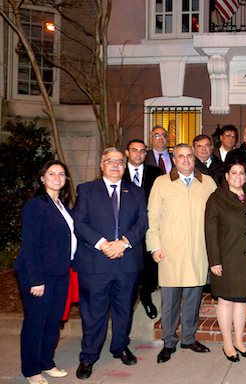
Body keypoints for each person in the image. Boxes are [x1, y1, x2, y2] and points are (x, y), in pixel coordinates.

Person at [73, 148, 148, 379]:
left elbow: (142, 222)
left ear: (125, 167)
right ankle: (88, 356)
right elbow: (79, 221)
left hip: (126, 262)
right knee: (93, 312)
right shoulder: (87, 190)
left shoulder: (136, 192)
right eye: (110, 161)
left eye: (119, 162)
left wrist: (123, 244)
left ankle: (120, 347)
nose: (115, 165)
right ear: (101, 165)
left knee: (124, 309)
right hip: (96, 263)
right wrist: (103, 243)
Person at [147, 143, 217, 363]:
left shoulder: (207, 183)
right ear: (174, 160)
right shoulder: (161, 183)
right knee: (169, 301)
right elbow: (153, 217)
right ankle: (169, 341)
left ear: (194, 159)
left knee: (193, 300)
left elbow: (217, 215)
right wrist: (155, 246)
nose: (186, 160)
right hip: (170, 252)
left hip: (198, 251)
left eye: (189, 156)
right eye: (181, 156)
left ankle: (188, 337)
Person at [14, 160, 76, 384]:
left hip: (60, 272)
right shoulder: (35, 205)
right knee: (35, 323)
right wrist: (36, 280)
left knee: (53, 321)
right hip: (38, 274)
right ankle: (31, 370)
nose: (57, 177)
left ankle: (47, 362)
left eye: (61, 174)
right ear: (42, 178)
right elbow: (30, 245)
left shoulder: (61, 205)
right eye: (52, 173)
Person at [204, 159, 246, 362]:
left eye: (241, 173)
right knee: (226, 301)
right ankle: (227, 343)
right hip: (226, 258)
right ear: (226, 176)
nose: (238, 177)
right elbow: (210, 232)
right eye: (234, 173)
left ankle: (239, 340)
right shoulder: (216, 198)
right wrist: (214, 261)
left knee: (242, 301)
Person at [123, 139, 164, 320]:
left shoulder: (156, 173)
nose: (138, 154)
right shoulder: (118, 172)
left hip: (149, 226)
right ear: (127, 153)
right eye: (134, 150)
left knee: (149, 266)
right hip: (124, 230)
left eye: (142, 151)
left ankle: (147, 298)